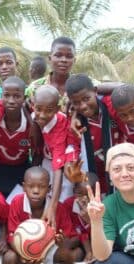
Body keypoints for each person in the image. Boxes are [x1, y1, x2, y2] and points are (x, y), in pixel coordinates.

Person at [3, 167, 81, 264]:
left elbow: (74, 238)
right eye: (31, 186)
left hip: (50, 249)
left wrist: (64, 243)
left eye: (42, 187)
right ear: (23, 187)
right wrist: (24, 254)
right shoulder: (17, 202)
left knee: (77, 254)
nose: (36, 191)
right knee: (8, 258)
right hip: (23, 250)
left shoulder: (58, 207)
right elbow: (11, 235)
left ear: (50, 188)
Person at [65, 74, 124, 193]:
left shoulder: (111, 104)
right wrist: (70, 164)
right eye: (76, 103)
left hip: (121, 170)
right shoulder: (76, 122)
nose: (83, 106)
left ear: (96, 92)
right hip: (95, 174)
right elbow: (72, 145)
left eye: (87, 99)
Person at [63, 172, 114, 264]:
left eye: (88, 195)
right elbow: (76, 230)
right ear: (74, 192)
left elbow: (103, 232)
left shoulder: (103, 206)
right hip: (79, 242)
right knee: (78, 255)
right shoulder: (68, 205)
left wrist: (90, 220)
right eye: (80, 194)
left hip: (97, 239)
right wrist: (88, 250)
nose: (84, 199)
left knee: (103, 252)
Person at [31, 85, 77, 226]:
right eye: (38, 109)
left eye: (49, 111)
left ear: (57, 109)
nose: (43, 115)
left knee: (64, 195)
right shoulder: (34, 115)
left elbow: (58, 169)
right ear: (33, 105)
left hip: (69, 162)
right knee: (43, 189)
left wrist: (53, 206)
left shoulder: (59, 128)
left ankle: (64, 227)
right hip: (48, 157)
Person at [0, 76, 32, 197]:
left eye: (17, 96)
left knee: (17, 202)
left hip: (21, 168)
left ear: (24, 98)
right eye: (7, 95)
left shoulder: (32, 124)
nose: (11, 100)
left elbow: (37, 152)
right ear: (1, 97)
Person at [26, 37, 76, 111]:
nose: (64, 60)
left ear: (74, 60)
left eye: (69, 56)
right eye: (58, 55)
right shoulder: (33, 89)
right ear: (50, 59)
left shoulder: (86, 86)